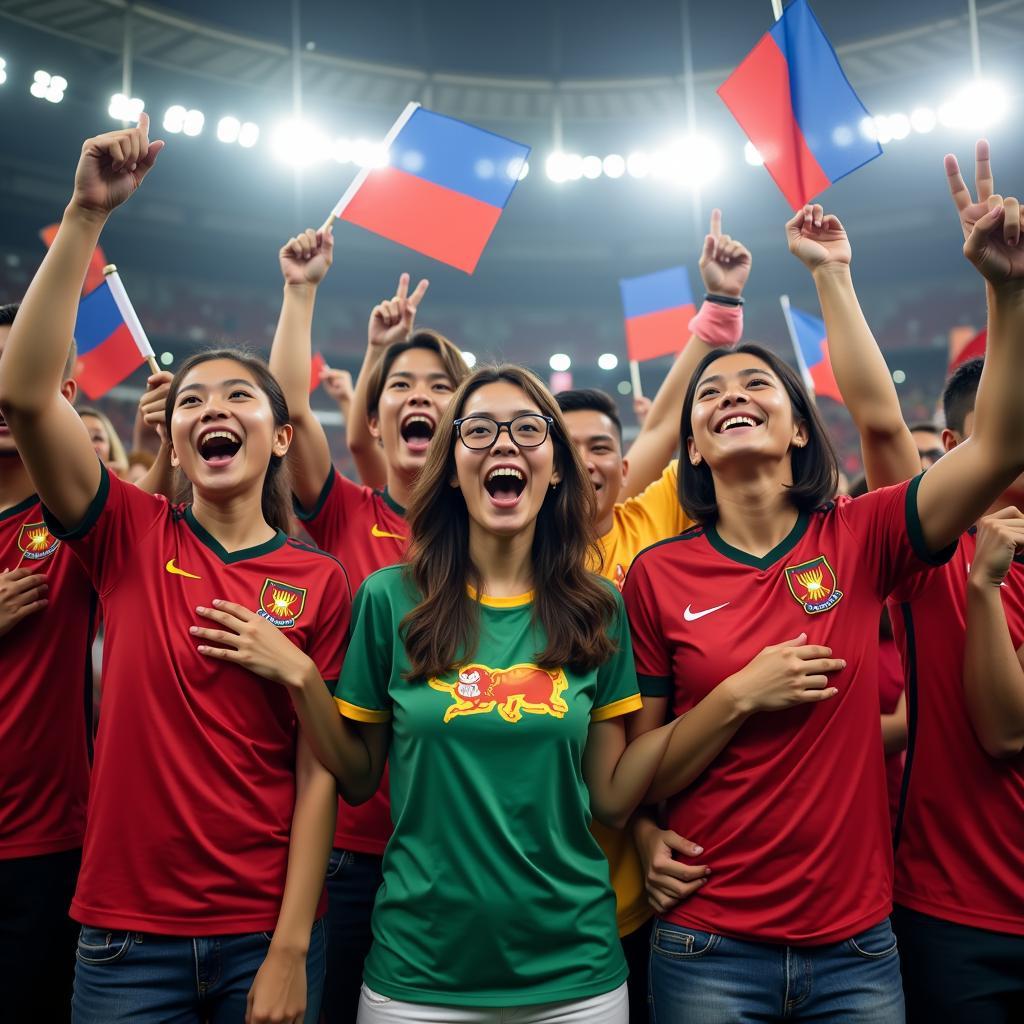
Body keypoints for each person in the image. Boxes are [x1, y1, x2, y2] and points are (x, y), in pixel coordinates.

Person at [279, 363, 809, 1021]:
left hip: (576, 980)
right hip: (416, 977)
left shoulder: (600, 608)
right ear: (450, 468)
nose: (504, 443)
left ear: (554, 467)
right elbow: (357, 779)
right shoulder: (389, 602)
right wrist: (305, 681)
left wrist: (731, 699)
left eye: (528, 428)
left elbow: (613, 797)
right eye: (479, 430)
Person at [623, 164, 1024, 1022]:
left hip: (857, 952)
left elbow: (994, 451)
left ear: (800, 426)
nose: (731, 393)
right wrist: (733, 703)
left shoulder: (863, 535)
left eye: (756, 384)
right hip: (706, 944)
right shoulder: (656, 575)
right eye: (711, 393)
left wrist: (1006, 291)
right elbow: (627, 781)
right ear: (689, 445)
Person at [0, 114, 349, 1024]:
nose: (211, 409)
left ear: (280, 438)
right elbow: (25, 393)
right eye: (193, 397)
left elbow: (325, 774)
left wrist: (290, 949)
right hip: (121, 943)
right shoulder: (126, 531)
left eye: (240, 396)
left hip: (259, 939)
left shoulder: (321, 584)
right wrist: (84, 217)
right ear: (177, 433)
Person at [554, 208, 751, 1022]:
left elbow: (669, 424)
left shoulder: (650, 523)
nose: (587, 461)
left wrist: (717, 309)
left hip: (637, 889)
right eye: (562, 446)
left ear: (622, 463)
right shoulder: (509, 566)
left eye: (603, 447)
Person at [268, 226, 469, 1019]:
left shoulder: (503, 535)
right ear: (375, 421)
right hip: (350, 850)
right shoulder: (347, 511)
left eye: (439, 385)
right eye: (399, 385)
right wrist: (302, 291)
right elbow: (285, 411)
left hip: (462, 848)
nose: (418, 395)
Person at [78, 405, 128, 477]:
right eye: (81, 439)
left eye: (97, 438)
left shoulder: (127, 482)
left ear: (111, 449)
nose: (91, 446)